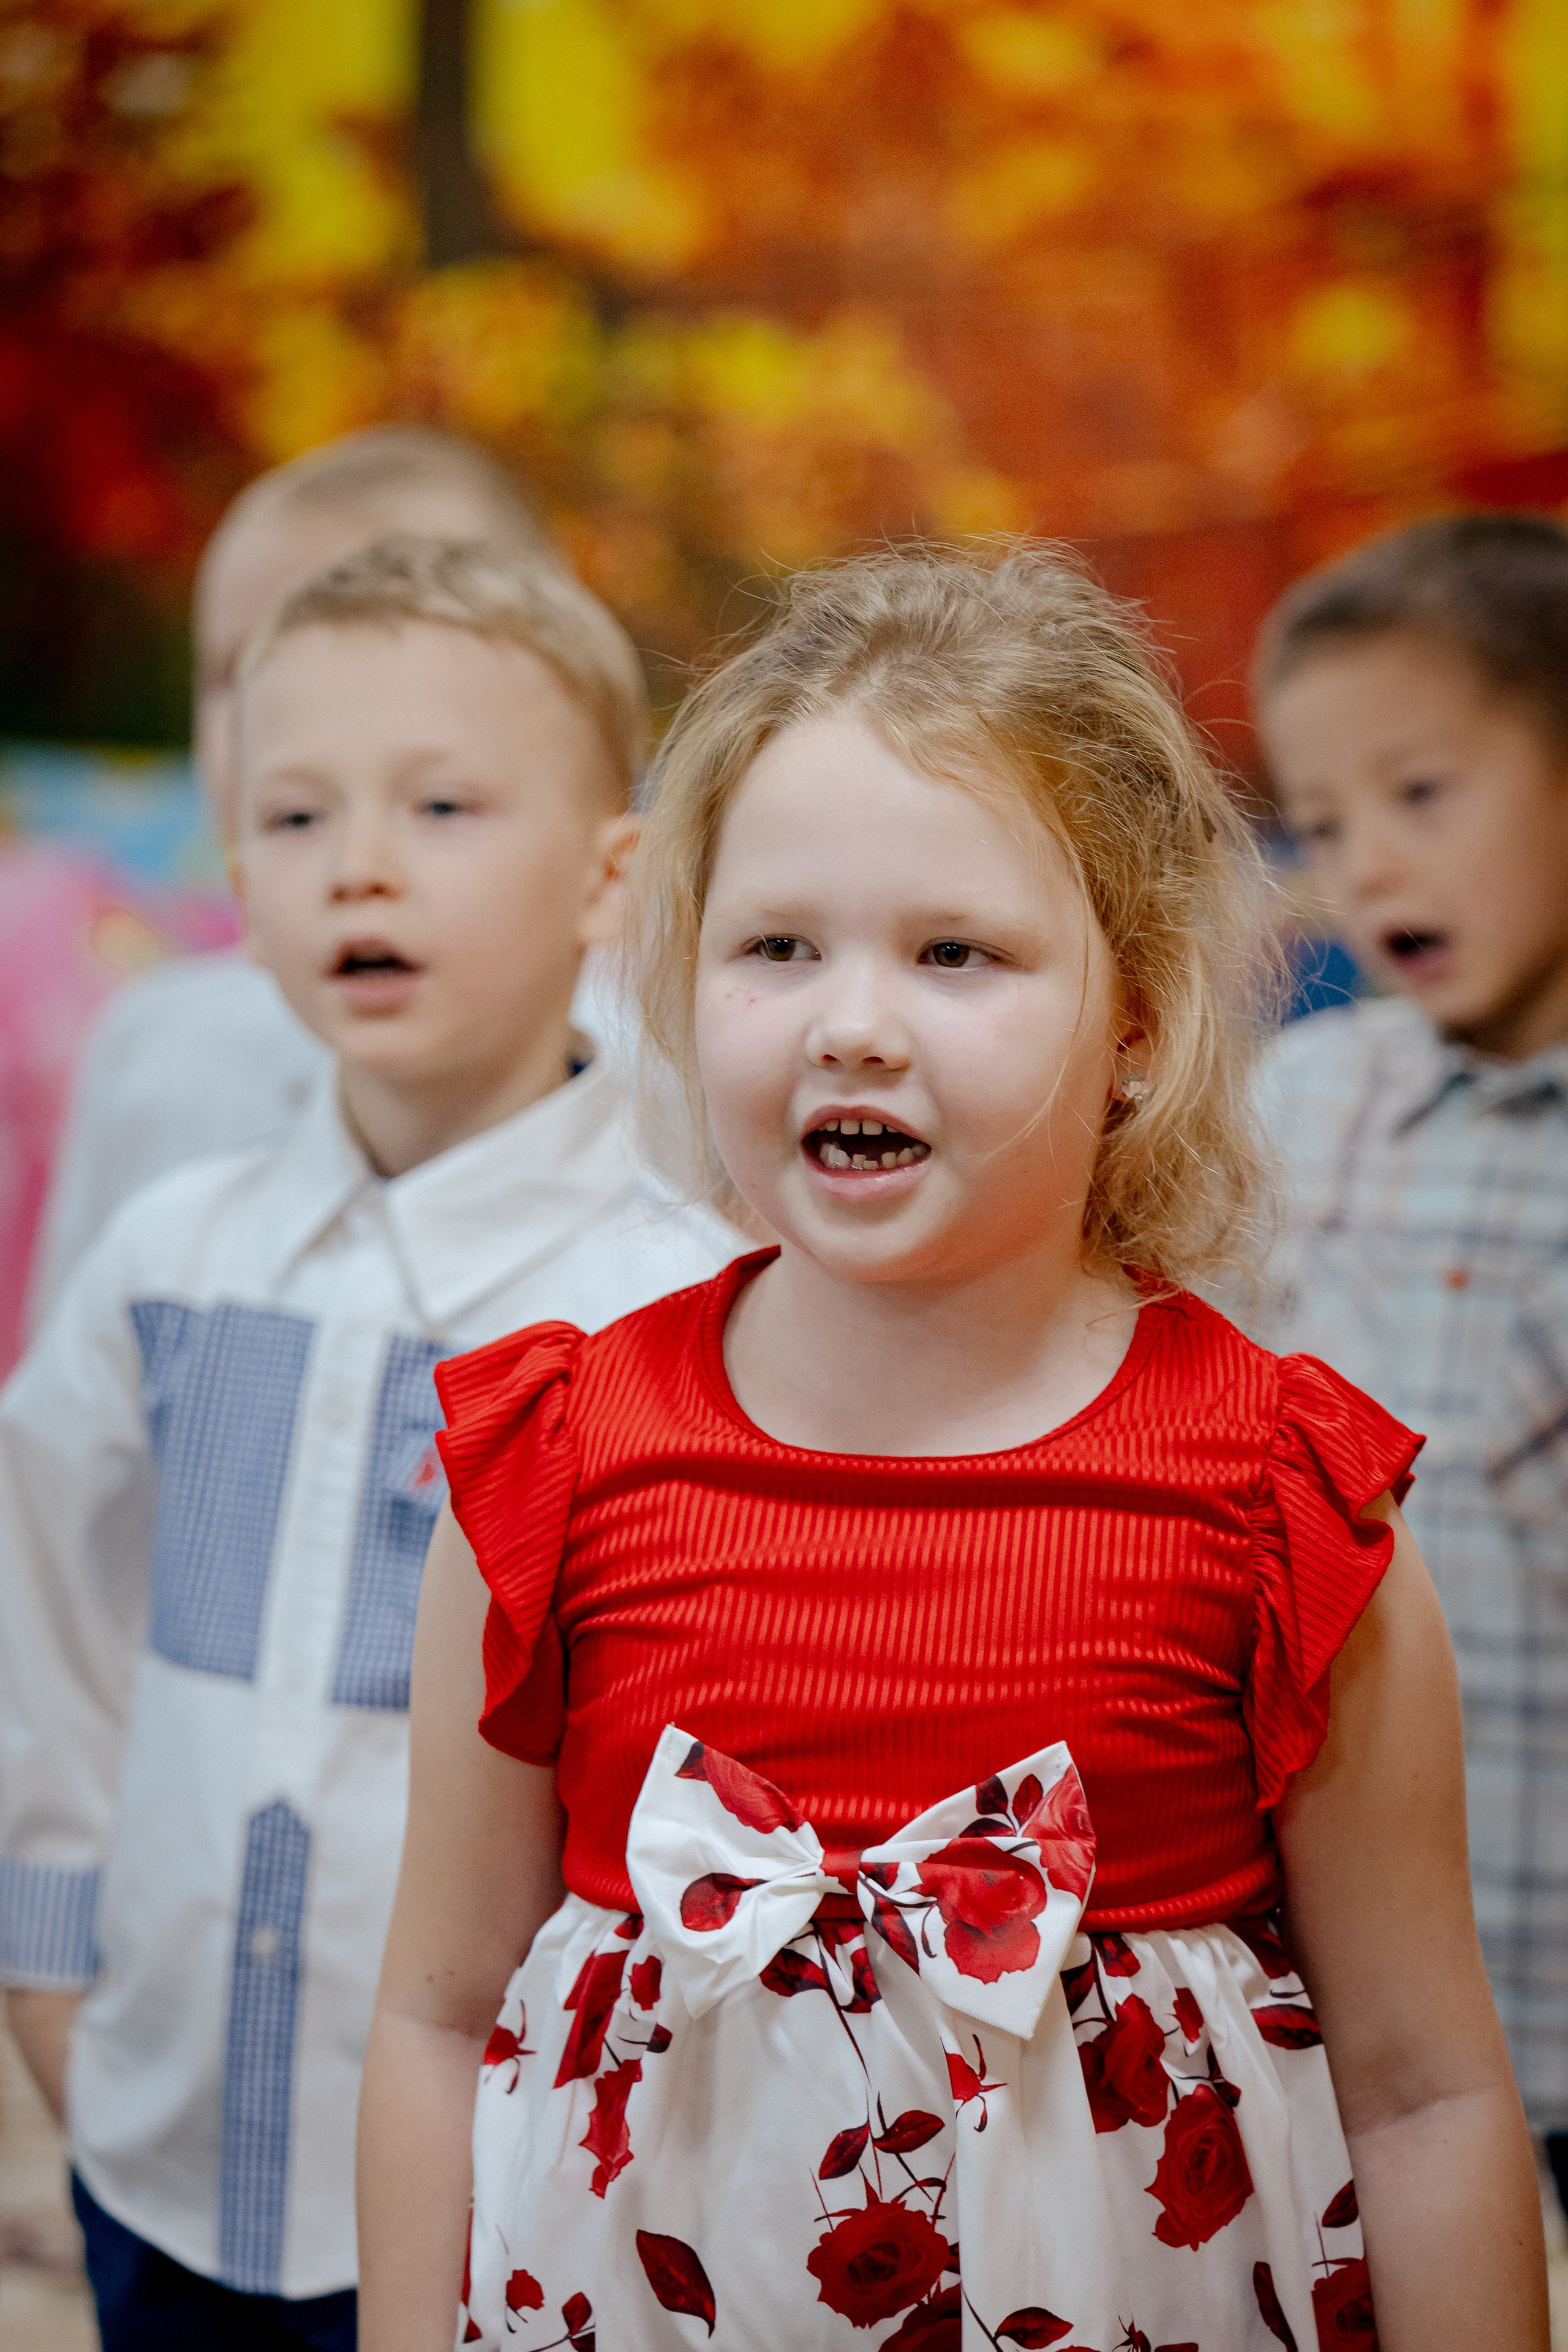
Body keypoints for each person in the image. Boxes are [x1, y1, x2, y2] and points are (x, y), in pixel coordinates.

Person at [358, 545, 1547, 2351]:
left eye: (955, 953)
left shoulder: (1278, 1502)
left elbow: (1426, 2097)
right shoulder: (555, 1463)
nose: (853, 1021)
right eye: (776, 947)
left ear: (1140, 1014)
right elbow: (439, 2018)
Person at [0, 537, 741, 2349]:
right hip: (159, 2140)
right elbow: (49, 1627)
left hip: (525, 2177)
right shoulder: (173, 1262)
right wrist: (47, 1973)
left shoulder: (682, 1316)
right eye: (297, 815)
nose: (366, 864)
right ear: (236, 873)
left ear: (607, 880)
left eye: (442, 804)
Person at [1243, 510, 1568, 2210]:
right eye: (1321, 821)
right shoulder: (1306, 1104)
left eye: (1423, 796)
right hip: (1341, 1988)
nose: (1367, 862)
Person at [28, 426, 556, 1327]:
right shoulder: (148, 1053)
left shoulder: (635, 1059)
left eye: (352, 663)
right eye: (237, 672)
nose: (279, 711)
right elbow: (63, 1414)